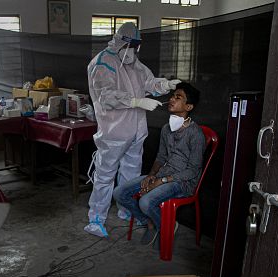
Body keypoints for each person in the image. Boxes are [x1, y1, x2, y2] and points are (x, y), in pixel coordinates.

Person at [84, 22, 181, 237]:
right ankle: (96, 219)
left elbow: (149, 82)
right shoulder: (102, 63)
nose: (134, 52)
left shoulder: (133, 62)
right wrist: (136, 101)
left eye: (137, 47)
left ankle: (126, 210)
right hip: (114, 133)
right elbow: (106, 96)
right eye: (131, 46)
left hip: (136, 131)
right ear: (120, 41)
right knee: (105, 176)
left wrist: (164, 85)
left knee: (131, 174)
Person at [113, 82, 205, 247]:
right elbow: (161, 157)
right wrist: (151, 176)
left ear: (189, 106)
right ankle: (151, 222)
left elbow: (193, 170)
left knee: (146, 202)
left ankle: (166, 227)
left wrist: (161, 181)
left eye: (178, 98)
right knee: (120, 193)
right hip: (163, 175)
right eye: (172, 96)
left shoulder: (195, 134)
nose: (172, 99)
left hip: (182, 182)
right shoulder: (166, 129)